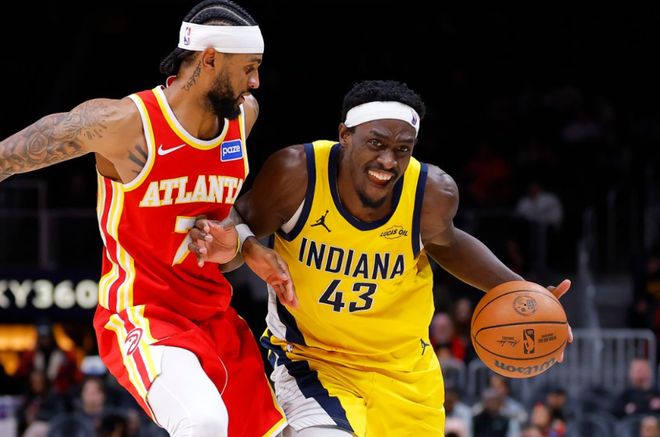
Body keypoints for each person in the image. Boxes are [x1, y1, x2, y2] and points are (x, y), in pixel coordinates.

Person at [189, 80, 572, 436]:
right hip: (314, 362)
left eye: (402, 149)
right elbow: (236, 226)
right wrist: (242, 246)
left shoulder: (431, 193)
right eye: (376, 144)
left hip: (405, 372)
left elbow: (448, 244)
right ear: (345, 135)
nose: (389, 160)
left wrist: (527, 293)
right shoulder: (297, 174)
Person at [0, 1, 293, 435]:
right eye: (249, 68)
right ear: (210, 59)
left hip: (213, 314)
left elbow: (214, 212)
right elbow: (7, 158)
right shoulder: (124, 124)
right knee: (204, 422)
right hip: (142, 312)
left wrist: (246, 245)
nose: (255, 82)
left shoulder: (242, 117)